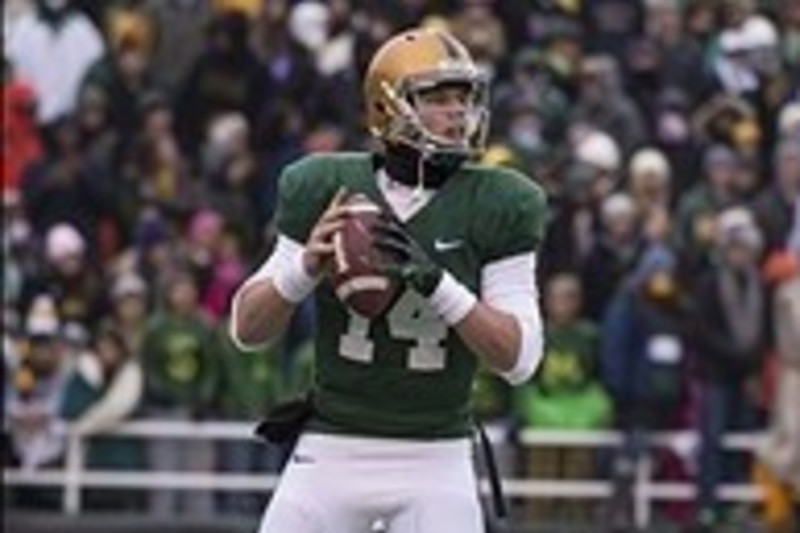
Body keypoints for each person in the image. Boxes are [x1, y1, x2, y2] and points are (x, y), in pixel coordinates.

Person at [230, 27, 547, 533]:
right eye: (437, 98)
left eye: (462, 98)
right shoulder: (324, 187)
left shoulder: (502, 202)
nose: (457, 113)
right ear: (387, 107)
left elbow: (520, 359)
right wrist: (303, 270)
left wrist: (438, 284)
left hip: (436, 455)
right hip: (332, 445)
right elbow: (246, 331)